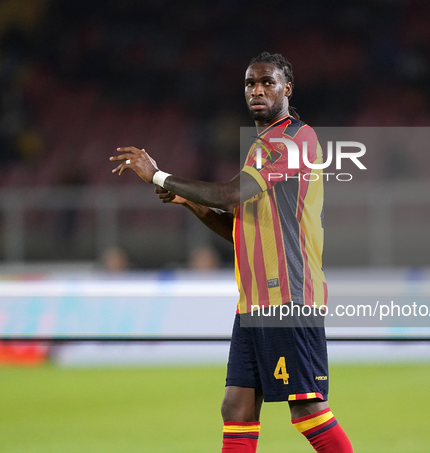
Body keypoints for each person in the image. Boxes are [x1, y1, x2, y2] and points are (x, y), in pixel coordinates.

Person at [109, 52, 353, 453]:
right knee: (236, 408)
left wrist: (157, 173)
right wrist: (191, 203)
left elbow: (230, 194)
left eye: (267, 82)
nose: (257, 90)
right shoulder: (263, 145)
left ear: (286, 89)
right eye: (250, 83)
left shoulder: (292, 138)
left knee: (307, 409)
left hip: (287, 296)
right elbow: (241, 230)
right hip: (254, 302)